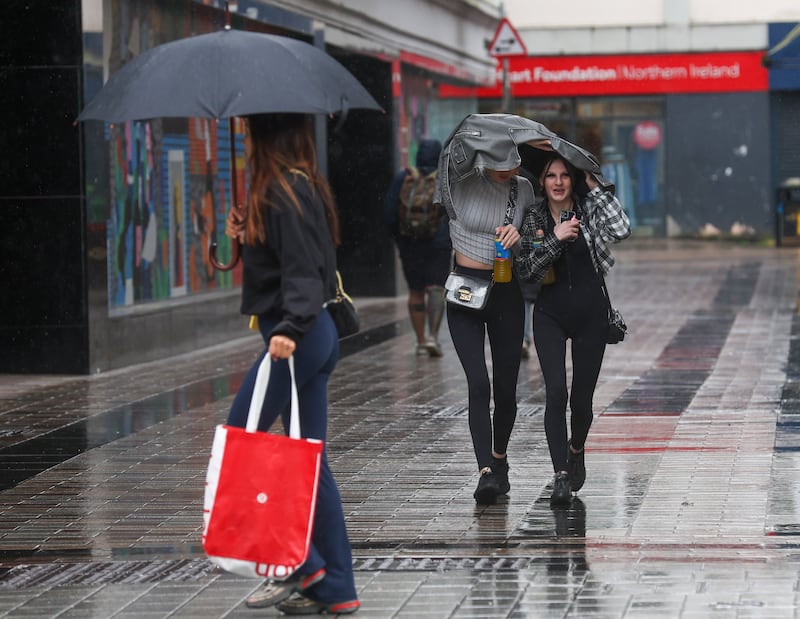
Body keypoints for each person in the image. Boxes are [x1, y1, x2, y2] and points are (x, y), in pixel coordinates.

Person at [223, 113, 359, 615]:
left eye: (247, 127)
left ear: (265, 135)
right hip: (311, 333)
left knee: (243, 444)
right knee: (308, 458)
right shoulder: (296, 187)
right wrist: (245, 232)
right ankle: (337, 587)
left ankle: (302, 562)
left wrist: (287, 329)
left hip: (295, 338)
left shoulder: (283, 191)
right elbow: (292, 261)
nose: (240, 134)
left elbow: (303, 271)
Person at [515, 154, 630, 506]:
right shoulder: (533, 215)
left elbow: (622, 230)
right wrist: (557, 237)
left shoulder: (588, 209)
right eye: (552, 175)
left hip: (590, 315)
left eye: (566, 175)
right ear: (542, 181)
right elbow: (529, 270)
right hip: (549, 314)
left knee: (581, 401)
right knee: (555, 394)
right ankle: (561, 475)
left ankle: (576, 447)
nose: (559, 182)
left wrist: (594, 185)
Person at [437, 138, 536, 506]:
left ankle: (499, 458)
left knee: (506, 390)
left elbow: (536, 238)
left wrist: (520, 236)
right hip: (464, 291)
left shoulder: (522, 189)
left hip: (505, 292)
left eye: (513, 162)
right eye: (500, 164)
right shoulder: (459, 184)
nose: (508, 169)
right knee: (478, 382)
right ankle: (485, 473)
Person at [384, 139, 450, 357]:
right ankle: (433, 337)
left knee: (415, 291)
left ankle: (420, 340)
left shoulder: (405, 177)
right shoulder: (443, 179)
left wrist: (400, 239)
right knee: (436, 288)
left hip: (410, 242)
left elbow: (389, 212)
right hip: (438, 243)